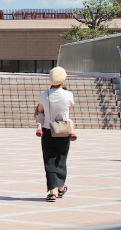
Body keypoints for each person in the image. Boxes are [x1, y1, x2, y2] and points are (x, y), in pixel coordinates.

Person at [36, 66, 75, 202]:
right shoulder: (69, 95)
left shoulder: (44, 95)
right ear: (63, 80)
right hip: (63, 131)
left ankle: (51, 192)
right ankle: (61, 187)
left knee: (49, 160)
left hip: (47, 130)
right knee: (61, 159)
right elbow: (68, 108)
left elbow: (39, 110)